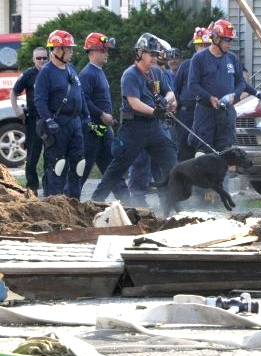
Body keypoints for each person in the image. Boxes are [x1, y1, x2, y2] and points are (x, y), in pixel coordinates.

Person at [91, 32, 177, 213]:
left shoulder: (157, 72)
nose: (155, 58)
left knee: (170, 160)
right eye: (151, 54)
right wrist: (156, 110)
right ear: (140, 53)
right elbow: (134, 102)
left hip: (154, 127)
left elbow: (171, 94)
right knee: (118, 167)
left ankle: (172, 207)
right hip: (134, 128)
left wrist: (165, 102)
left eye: (156, 54)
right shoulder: (129, 75)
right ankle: (94, 202)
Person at [34, 29, 89, 199]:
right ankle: (54, 204)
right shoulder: (46, 72)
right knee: (58, 165)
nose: (71, 52)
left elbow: (80, 94)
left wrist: (86, 115)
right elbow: (40, 100)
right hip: (58, 124)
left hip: (75, 124)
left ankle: (74, 203)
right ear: (58, 50)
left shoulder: (71, 69)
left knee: (79, 164)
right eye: (69, 49)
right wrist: (49, 120)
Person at [79, 32, 130, 204]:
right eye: (102, 50)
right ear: (92, 52)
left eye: (106, 49)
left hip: (103, 129)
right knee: (84, 169)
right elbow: (83, 100)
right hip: (93, 129)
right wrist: (101, 114)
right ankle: (70, 203)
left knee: (113, 168)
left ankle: (128, 204)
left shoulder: (98, 72)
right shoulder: (88, 74)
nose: (106, 53)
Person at [187, 19, 246, 155]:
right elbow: (193, 85)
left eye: (231, 40)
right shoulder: (199, 58)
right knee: (204, 152)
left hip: (226, 114)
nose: (230, 44)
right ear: (216, 38)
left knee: (226, 152)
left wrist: (234, 95)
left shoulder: (232, 58)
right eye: (227, 40)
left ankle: (224, 177)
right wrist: (210, 98)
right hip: (206, 112)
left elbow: (241, 82)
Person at [10, 46, 48, 196]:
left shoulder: (52, 73)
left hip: (50, 122)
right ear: (33, 60)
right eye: (38, 58)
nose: (42, 61)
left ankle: (49, 190)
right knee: (32, 157)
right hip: (34, 122)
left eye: (44, 58)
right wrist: (17, 110)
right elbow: (14, 93)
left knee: (51, 157)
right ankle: (32, 190)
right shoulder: (28, 75)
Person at [173, 26, 211, 161]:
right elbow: (175, 90)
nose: (203, 48)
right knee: (184, 152)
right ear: (195, 47)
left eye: (206, 45)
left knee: (204, 152)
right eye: (199, 45)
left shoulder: (216, 65)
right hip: (185, 114)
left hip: (207, 113)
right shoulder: (186, 65)